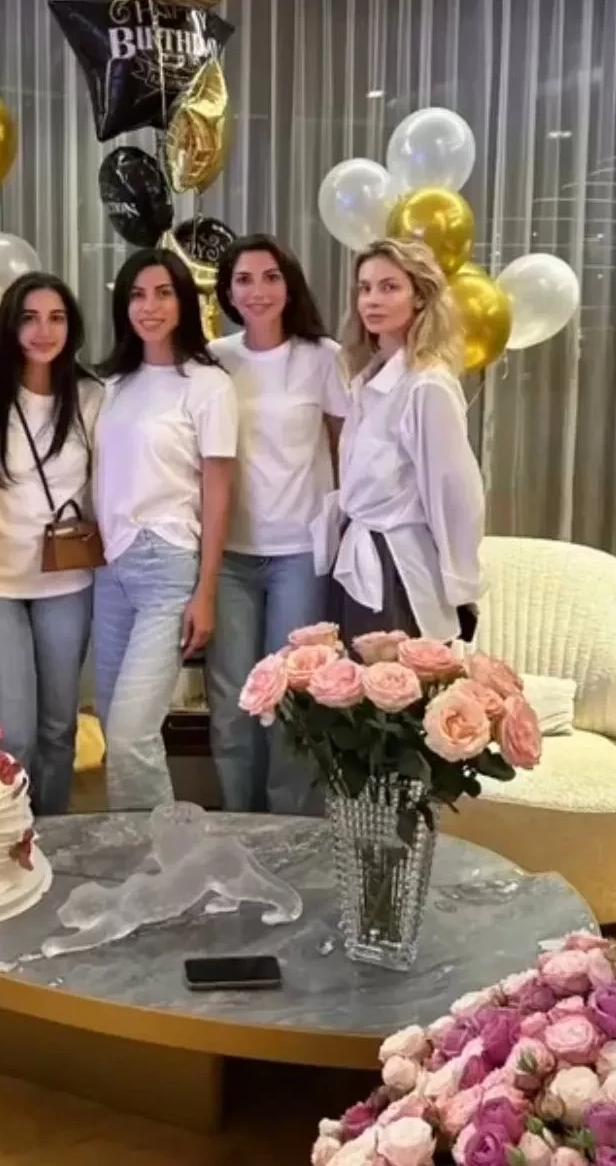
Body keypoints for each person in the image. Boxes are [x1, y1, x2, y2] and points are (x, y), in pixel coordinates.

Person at [205, 234, 350, 814]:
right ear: (227, 291)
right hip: (229, 557)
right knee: (233, 702)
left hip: (299, 554)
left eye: (270, 277)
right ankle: (238, 825)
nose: (257, 291)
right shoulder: (214, 358)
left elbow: (345, 451)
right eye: (243, 279)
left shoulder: (323, 357)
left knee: (291, 699)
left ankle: (289, 831)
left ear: (289, 285)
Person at [93, 247, 238, 810]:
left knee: (133, 734)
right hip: (110, 567)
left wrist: (207, 590)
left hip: (168, 565)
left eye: (162, 293)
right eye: (136, 295)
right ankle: (137, 844)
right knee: (115, 726)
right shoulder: (111, 384)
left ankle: (161, 853)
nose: (148, 306)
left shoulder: (208, 385)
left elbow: (218, 493)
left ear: (184, 302)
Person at [0, 273, 103, 816]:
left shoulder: (92, 398)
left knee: (58, 728)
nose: (44, 330)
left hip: (67, 582)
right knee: (10, 733)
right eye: (29, 318)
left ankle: (52, 837)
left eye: (56, 318)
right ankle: (7, 839)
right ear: (9, 326)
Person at [314, 237, 484, 646]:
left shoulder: (427, 386)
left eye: (389, 287)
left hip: (397, 569)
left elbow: (454, 493)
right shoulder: (366, 379)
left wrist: (462, 586)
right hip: (355, 557)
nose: (372, 300)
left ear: (420, 296)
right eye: (365, 288)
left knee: (391, 685)